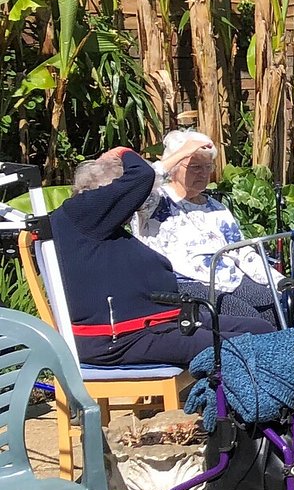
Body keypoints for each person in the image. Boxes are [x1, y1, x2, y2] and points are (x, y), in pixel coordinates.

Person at [54, 145, 274, 367]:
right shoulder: (82, 213)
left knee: (260, 329)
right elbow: (143, 175)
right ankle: (231, 389)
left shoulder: (98, 224)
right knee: (249, 345)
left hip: (158, 323)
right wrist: (121, 151)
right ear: (109, 192)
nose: (134, 207)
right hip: (120, 339)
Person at [132, 129, 283, 324]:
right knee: (248, 319)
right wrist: (182, 152)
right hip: (182, 283)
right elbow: (138, 184)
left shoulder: (216, 207)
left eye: (207, 166)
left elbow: (241, 251)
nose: (203, 174)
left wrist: (278, 281)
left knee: (277, 307)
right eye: (195, 167)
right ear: (175, 167)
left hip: (229, 280)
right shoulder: (155, 201)